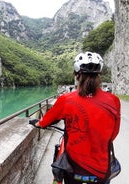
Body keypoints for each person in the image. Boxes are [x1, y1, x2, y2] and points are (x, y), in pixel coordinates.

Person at [29, 52, 121, 184]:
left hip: (74, 167)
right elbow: (113, 134)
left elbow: (46, 120)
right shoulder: (114, 100)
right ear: (99, 75)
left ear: (77, 75)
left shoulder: (66, 99)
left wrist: (38, 123)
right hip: (101, 169)